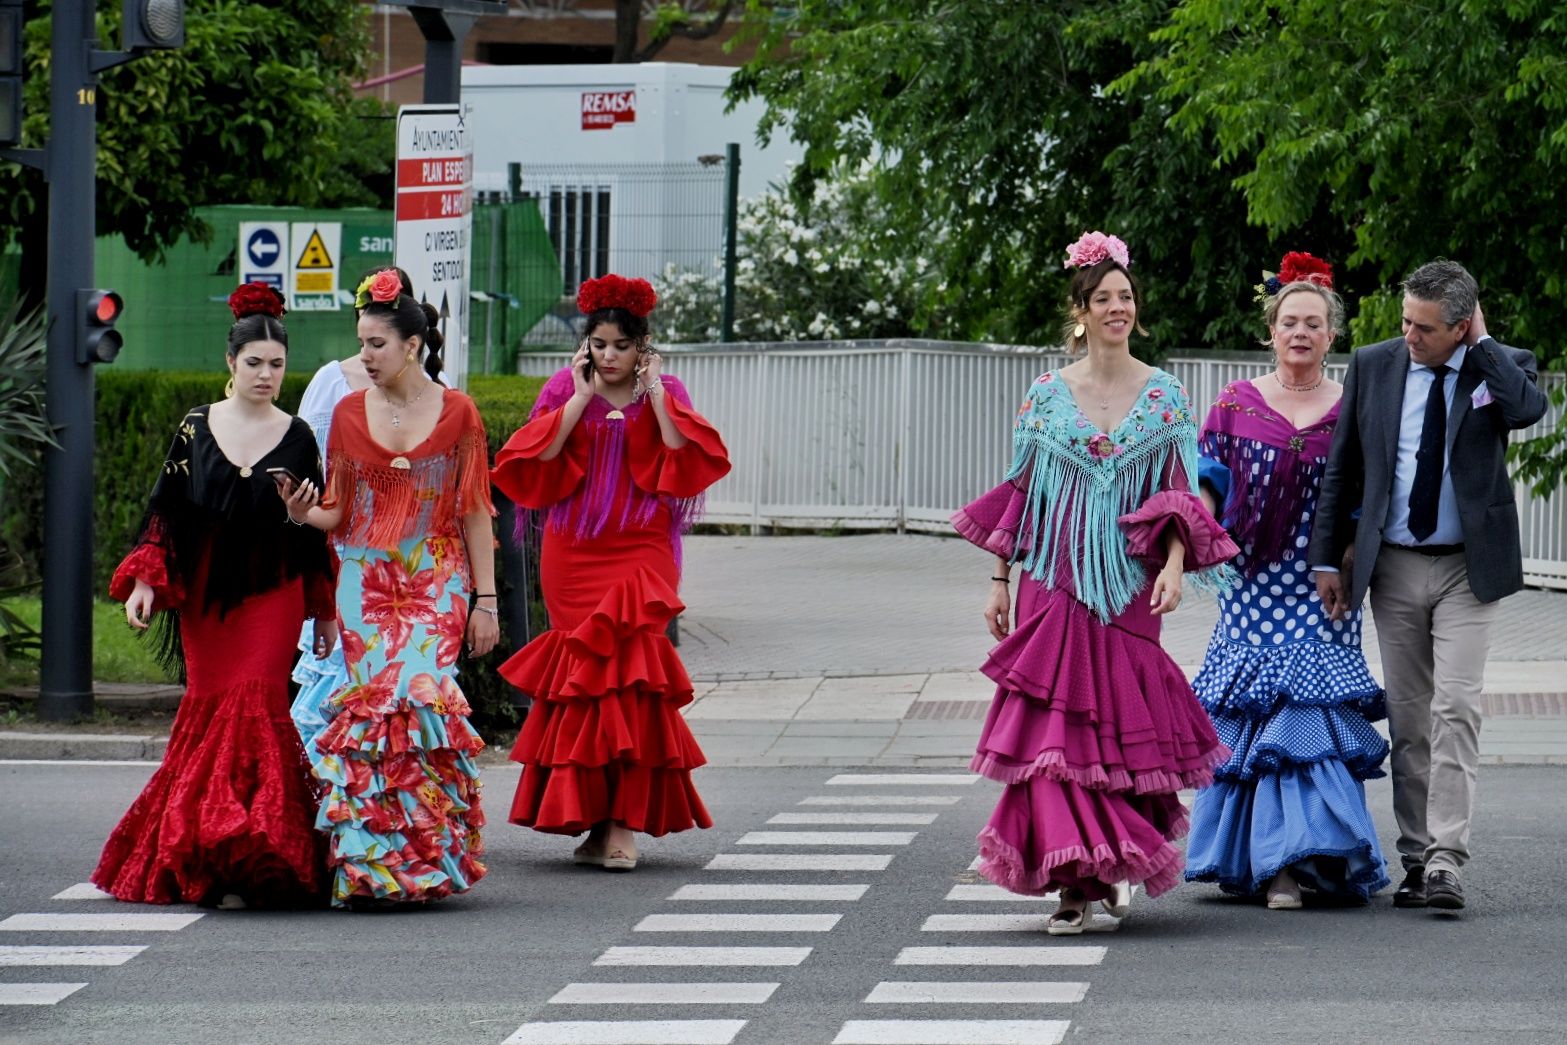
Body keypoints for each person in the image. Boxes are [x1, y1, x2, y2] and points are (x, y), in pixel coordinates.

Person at [951, 232, 1239, 933]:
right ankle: (1070, 883)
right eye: (1103, 298)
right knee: (1055, 732)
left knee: (1118, 726)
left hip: (1131, 583)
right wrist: (998, 581)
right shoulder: (1047, 393)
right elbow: (1022, 493)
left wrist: (1173, 565)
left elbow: (1179, 495)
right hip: (1054, 575)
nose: (1117, 307)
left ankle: (1109, 863)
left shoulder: (1165, 395)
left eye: (1126, 297)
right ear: (1079, 309)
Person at [1310, 259, 1548, 913]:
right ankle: (1415, 858)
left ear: (1460, 325)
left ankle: (1446, 858)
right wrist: (1326, 559)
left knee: (1456, 709)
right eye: (1405, 321)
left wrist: (1485, 345)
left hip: (1467, 571)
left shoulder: (1499, 366)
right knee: (1411, 719)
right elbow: (1342, 466)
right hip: (1392, 567)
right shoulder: (1375, 363)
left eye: (1423, 327)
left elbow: (1527, 410)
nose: (1409, 334)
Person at [93, 283, 335, 908]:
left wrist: (325, 611)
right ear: (231, 362)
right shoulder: (196, 426)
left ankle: (257, 854)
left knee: (258, 701)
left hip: (274, 592)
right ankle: (211, 853)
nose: (266, 374)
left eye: (276, 364)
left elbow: (315, 535)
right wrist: (146, 579)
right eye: (254, 362)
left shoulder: (301, 435)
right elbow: (166, 512)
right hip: (206, 600)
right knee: (210, 708)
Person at [492, 273, 730, 871]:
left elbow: (680, 449)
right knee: (587, 685)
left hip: (642, 547)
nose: (609, 356)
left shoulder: (664, 388)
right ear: (586, 345)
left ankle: (624, 825)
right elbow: (538, 455)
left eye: (621, 346)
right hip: (574, 551)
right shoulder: (564, 388)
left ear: (642, 346)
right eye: (599, 345)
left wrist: (654, 393)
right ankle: (598, 824)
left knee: (632, 679)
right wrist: (577, 396)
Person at [283, 268, 498, 907]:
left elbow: (476, 510)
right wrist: (302, 514)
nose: (365, 356)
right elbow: (337, 511)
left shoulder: (459, 411)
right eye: (362, 343)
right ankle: (375, 866)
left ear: (413, 345)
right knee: (370, 720)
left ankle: (427, 858)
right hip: (362, 580)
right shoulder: (348, 413)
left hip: (436, 579)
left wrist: (485, 601)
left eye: (377, 343)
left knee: (415, 706)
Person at [1183, 253, 1389, 910]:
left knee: (1304, 713)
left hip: (1324, 579)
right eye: (1288, 322)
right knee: (1258, 712)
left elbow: (1369, 491)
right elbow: (1206, 478)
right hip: (1249, 579)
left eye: (1312, 323)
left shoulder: (1352, 406)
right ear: (1270, 330)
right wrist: (1199, 539)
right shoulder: (1234, 402)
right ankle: (1270, 861)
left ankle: (1301, 862)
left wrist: (1350, 558)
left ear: (1332, 336)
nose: (1299, 333)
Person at [288, 267, 414, 751]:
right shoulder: (332, 383)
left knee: (398, 695)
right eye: (365, 320)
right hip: (342, 548)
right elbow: (307, 463)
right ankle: (334, 809)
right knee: (339, 688)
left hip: (409, 561)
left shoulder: (435, 389)